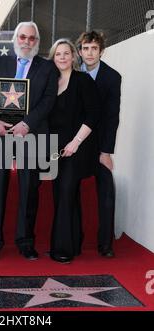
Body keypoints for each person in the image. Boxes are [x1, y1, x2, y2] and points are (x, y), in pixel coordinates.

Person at [0, 21, 58, 260]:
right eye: (23, 37)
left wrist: (27, 124)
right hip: (0, 134)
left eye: (31, 38)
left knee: (28, 189)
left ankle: (25, 241)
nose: (26, 42)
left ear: (37, 42)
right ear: (15, 39)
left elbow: (48, 100)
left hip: (31, 135)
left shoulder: (46, 68)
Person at [48, 39, 100, 263]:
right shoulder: (51, 82)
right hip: (53, 150)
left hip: (76, 148)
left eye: (66, 53)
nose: (62, 57)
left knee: (67, 191)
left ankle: (63, 249)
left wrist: (75, 143)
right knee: (61, 194)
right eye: (58, 54)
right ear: (53, 57)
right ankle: (74, 241)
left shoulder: (83, 80)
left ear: (73, 56)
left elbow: (93, 115)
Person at [76, 31, 122, 258]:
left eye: (94, 48)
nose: (90, 53)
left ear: (102, 51)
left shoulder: (113, 77)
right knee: (70, 190)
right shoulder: (70, 73)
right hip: (75, 143)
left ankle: (106, 243)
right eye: (85, 48)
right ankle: (74, 239)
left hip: (100, 145)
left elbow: (113, 117)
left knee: (106, 192)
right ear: (80, 51)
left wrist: (106, 151)